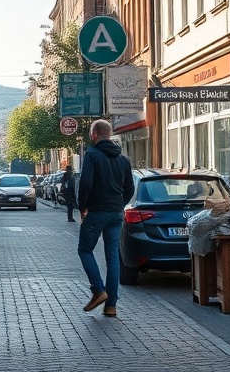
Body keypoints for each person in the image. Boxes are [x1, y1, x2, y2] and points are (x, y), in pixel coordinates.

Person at [77, 119, 134, 318]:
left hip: (97, 212)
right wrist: (120, 205)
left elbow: (85, 184)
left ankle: (98, 290)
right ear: (109, 134)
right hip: (116, 213)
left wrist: (82, 207)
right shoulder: (123, 160)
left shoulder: (92, 154)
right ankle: (111, 306)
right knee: (112, 258)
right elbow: (130, 188)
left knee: (85, 250)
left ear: (94, 134)